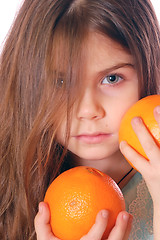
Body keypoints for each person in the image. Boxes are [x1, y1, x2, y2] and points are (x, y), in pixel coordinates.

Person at [0, 0, 160, 239]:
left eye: (113, 78)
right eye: (60, 82)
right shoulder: (8, 182)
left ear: (149, 71)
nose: (87, 110)